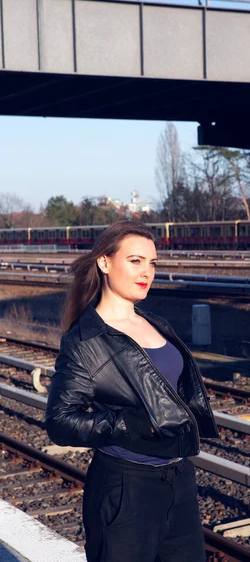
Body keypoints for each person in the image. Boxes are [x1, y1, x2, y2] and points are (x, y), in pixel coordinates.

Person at [45, 220, 219, 562]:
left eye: (152, 263)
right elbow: (61, 422)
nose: (147, 272)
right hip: (127, 487)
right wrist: (136, 423)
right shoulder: (85, 340)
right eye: (135, 260)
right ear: (105, 263)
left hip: (178, 478)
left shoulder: (154, 322)